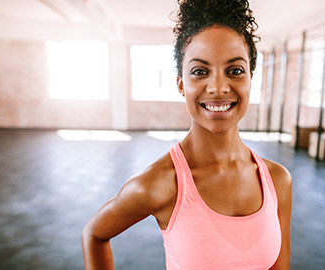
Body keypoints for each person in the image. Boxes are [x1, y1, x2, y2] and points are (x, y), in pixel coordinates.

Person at [81, 0, 292, 269]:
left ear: (251, 78)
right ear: (182, 84)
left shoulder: (278, 181)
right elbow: (95, 234)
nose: (217, 87)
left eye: (235, 70)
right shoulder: (159, 183)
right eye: (200, 71)